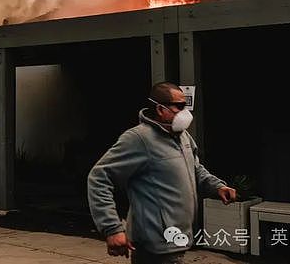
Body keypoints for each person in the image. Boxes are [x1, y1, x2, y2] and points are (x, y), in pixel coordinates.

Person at [87, 82, 237, 264]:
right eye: (179, 106)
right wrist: (112, 229)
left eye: (186, 106)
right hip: (155, 245)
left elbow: (195, 168)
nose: (185, 112)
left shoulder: (182, 136)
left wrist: (217, 186)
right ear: (160, 109)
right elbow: (99, 178)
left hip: (177, 238)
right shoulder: (139, 139)